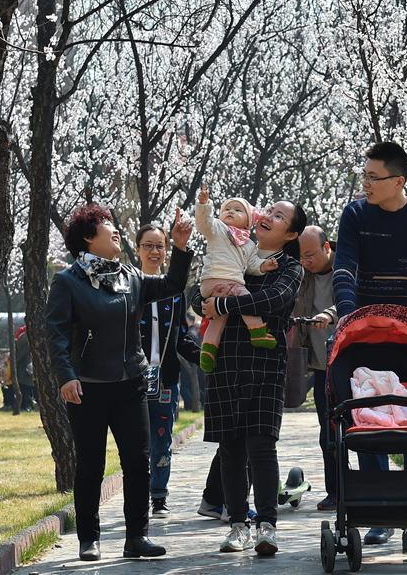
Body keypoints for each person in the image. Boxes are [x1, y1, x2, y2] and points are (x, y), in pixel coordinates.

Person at [46, 203, 193, 561]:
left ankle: (137, 537)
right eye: (106, 224)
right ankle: (88, 539)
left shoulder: (131, 277)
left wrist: (180, 246)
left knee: (137, 463)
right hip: (87, 387)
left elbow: (173, 284)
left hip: (130, 383)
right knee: (91, 465)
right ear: (87, 237)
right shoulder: (68, 281)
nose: (115, 230)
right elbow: (56, 334)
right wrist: (66, 376)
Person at [333, 141, 407, 548]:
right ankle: (376, 509)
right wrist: (348, 315)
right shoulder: (355, 215)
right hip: (364, 331)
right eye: (363, 176)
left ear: (398, 181)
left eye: (373, 177)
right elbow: (345, 268)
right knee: (363, 414)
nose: (365, 184)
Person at [193, 199, 306, 556]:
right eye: (268, 211)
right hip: (226, 361)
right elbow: (198, 292)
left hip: (265, 365)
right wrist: (205, 301)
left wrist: (222, 305)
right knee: (230, 449)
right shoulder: (235, 248)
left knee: (261, 446)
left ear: (291, 234)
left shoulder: (290, 268)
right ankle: (237, 526)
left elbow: (274, 299)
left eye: (279, 216)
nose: (268, 217)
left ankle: (267, 526)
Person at [135, 223, 201, 518]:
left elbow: (182, 337)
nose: (154, 251)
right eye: (148, 245)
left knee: (162, 438)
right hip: (132, 379)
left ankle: (159, 495)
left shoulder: (174, 293)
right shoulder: (130, 286)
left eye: (159, 246)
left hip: (165, 378)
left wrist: (204, 357)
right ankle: (136, 496)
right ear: (138, 249)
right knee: (136, 442)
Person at [194, 183, 279, 371]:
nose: (230, 211)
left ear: (248, 222)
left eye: (238, 210)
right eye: (227, 209)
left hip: (217, 286)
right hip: (219, 280)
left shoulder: (248, 245)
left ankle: (207, 350)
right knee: (245, 298)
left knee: (218, 318)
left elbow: (252, 265)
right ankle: (257, 331)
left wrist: (264, 265)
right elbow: (203, 223)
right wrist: (204, 205)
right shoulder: (217, 228)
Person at [292, 225, 338, 510]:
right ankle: (335, 492)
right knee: (327, 433)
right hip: (321, 367)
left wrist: (329, 315)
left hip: (348, 364)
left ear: (327, 247)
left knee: (357, 432)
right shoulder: (301, 276)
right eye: (301, 256)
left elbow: (350, 302)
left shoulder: (346, 268)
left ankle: (366, 489)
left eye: (310, 255)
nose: (305, 261)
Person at [15, 326, 35, 411]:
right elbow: (24, 352)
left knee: (24, 386)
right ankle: (27, 405)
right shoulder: (26, 338)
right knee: (26, 386)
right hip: (25, 365)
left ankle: (26, 405)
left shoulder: (23, 337)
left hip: (23, 366)